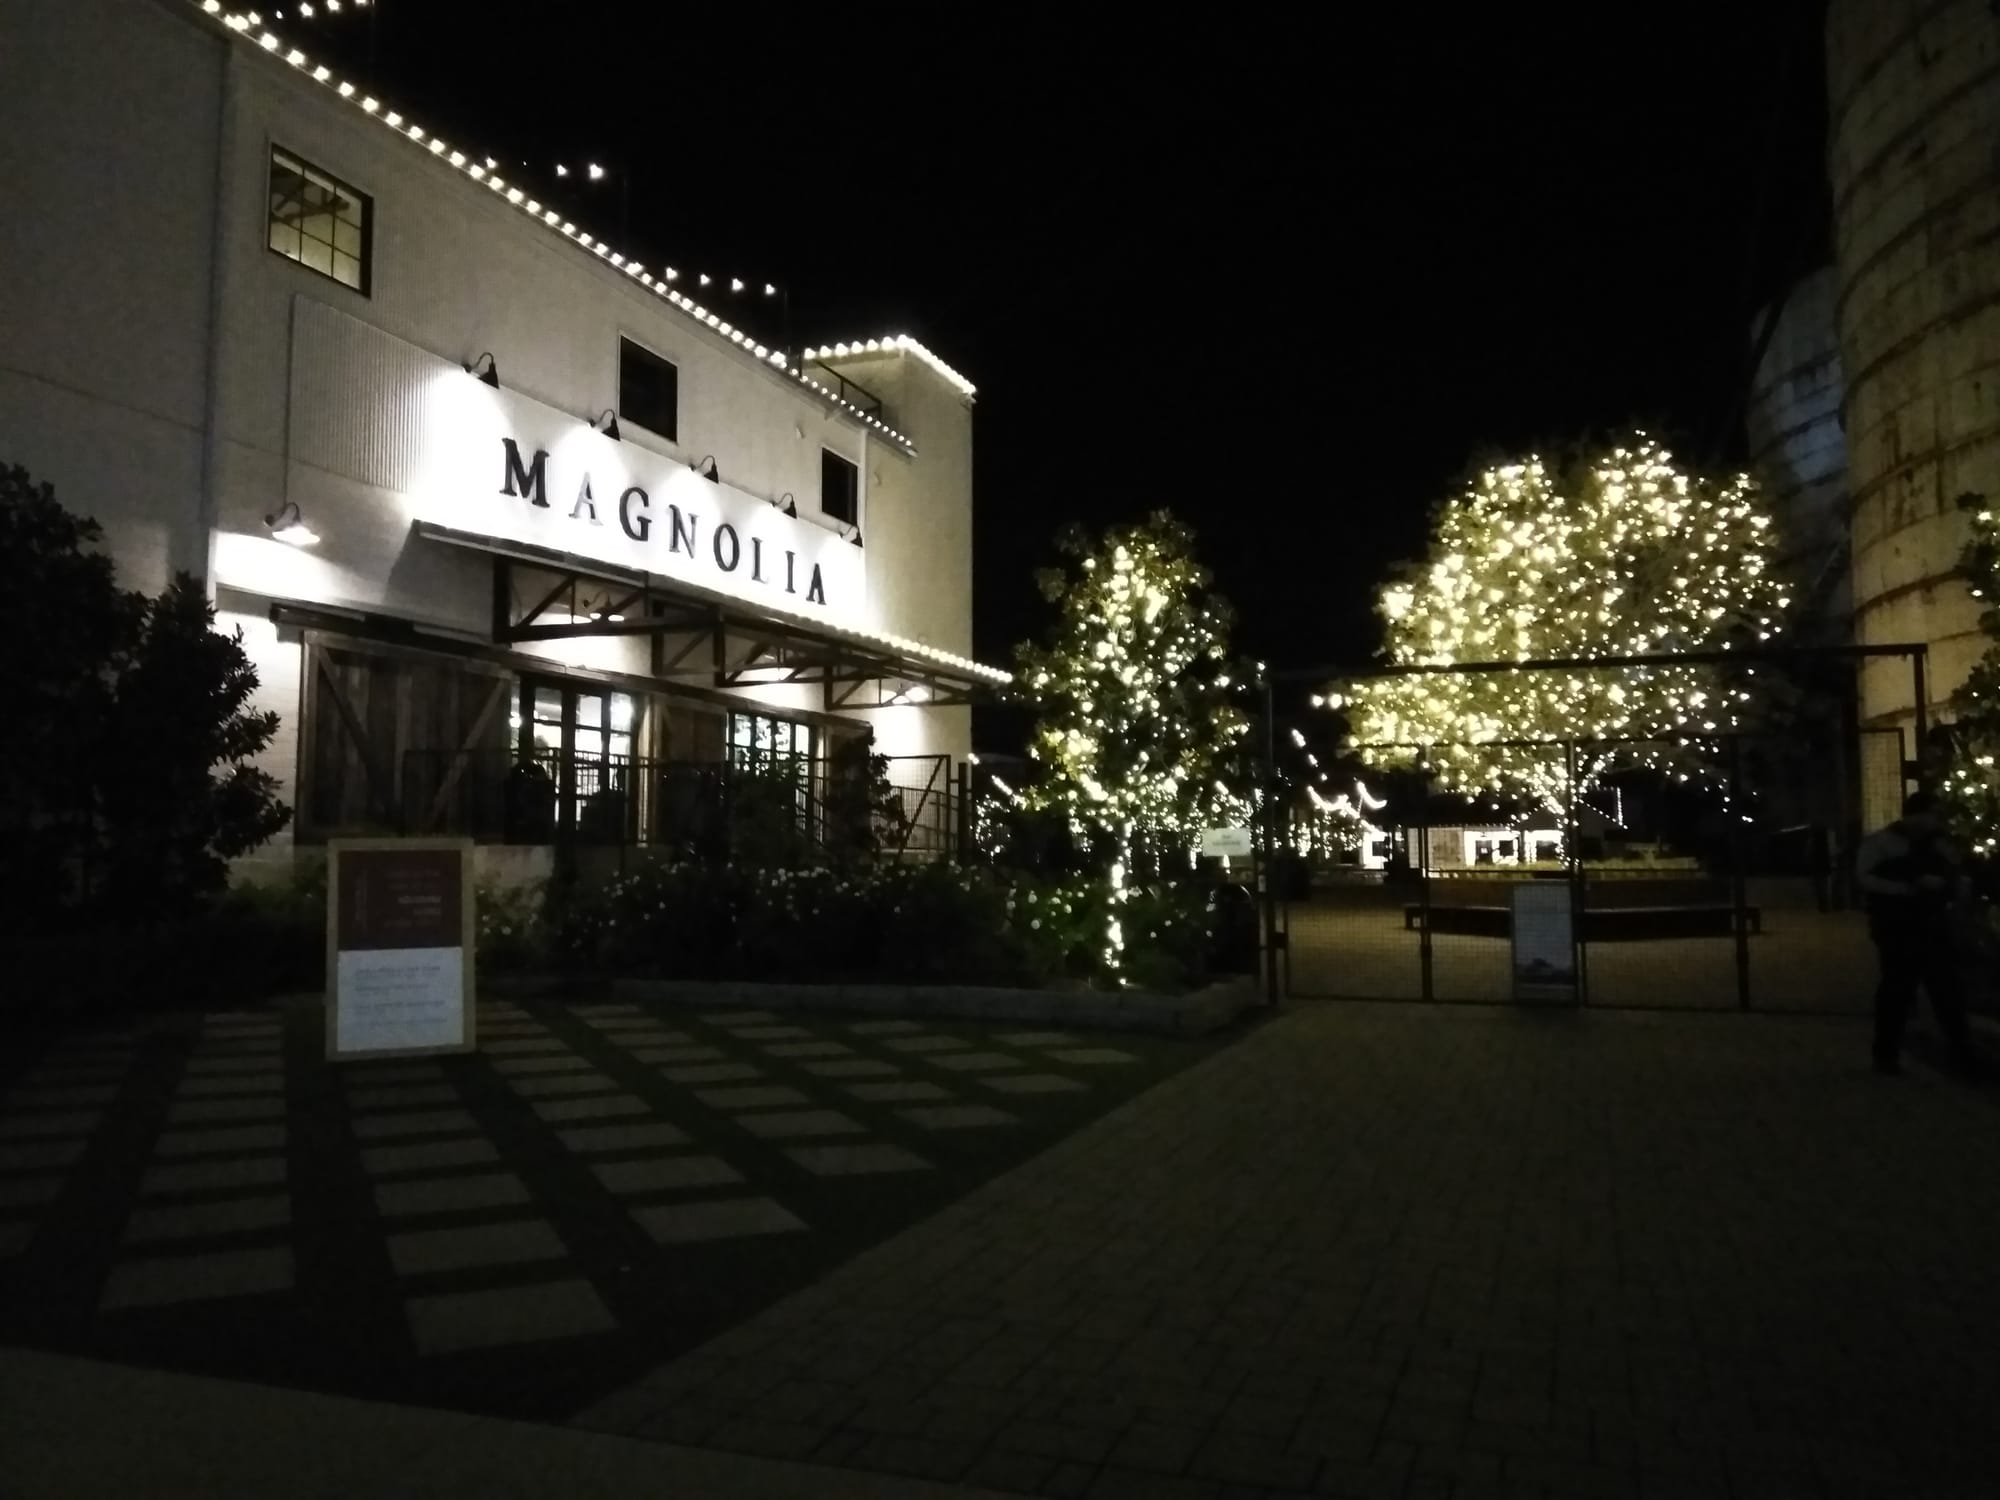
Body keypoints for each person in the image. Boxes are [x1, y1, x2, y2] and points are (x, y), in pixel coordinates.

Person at [1854, 791, 1982, 1077]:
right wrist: (1911, 888)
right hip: (1899, 927)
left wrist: (1953, 888)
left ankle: (1961, 1054)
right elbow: (1867, 879)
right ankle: (1887, 1055)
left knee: (1946, 992)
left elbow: (1955, 872)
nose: (1935, 821)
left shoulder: (1937, 844)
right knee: (1898, 991)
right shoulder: (1883, 844)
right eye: (1932, 814)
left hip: (1930, 925)